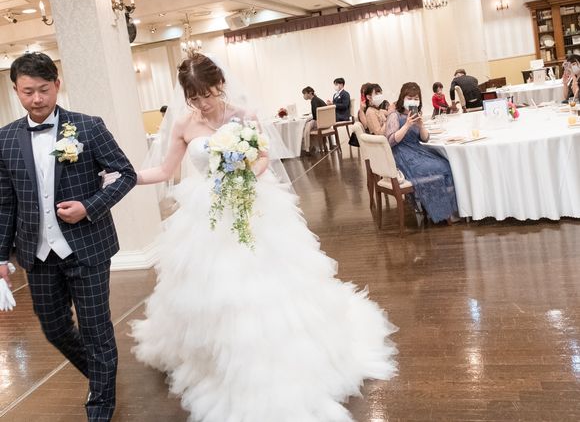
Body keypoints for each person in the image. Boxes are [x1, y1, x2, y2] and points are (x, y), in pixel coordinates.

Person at [131, 53, 397, 421]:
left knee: (266, 281)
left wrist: (243, 177)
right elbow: (164, 170)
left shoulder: (243, 116)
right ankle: (219, 357)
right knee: (212, 288)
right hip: (207, 213)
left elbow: (262, 159)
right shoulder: (183, 123)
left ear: (219, 84)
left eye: (207, 94)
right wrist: (126, 177)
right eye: (194, 97)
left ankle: (275, 355)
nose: (202, 104)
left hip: (251, 206)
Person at [0, 53, 136, 421]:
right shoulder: (5, 138)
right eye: (28, 91)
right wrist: (1, 257)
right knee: (54, 327)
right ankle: (102, 376)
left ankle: (100, 406)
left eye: (44, 90)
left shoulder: (88, 127)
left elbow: (126, 174)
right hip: (37, 253)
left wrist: (89, 206)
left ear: (57, 85)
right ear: (16, 91)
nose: (37, 99)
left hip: (87, 247)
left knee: (95, 330)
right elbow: (5, 202)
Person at [386, 81, 458, 224]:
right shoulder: (395, 115)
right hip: (402, 154)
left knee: (446, 163)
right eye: (409, 98)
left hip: (417, 150)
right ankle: (439, 211)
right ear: (402, 98)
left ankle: (447, 210)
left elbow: (425, 138)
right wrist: (407, 125)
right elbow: (391, 141)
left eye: (416, 98)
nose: (413, 101)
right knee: (438, 168)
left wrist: (421, 125)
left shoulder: (416, 115)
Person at [301, 86, 328, 153]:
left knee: (306, 126)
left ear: (310, 93)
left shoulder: (314, 101)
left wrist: (308, 119)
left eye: (304, 94)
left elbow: (315, 116)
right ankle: (314, 146)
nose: (304, 96)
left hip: (321, 122)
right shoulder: (316, 99)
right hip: (325, 122)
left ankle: (307, 148)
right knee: (308, 125)